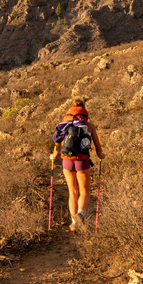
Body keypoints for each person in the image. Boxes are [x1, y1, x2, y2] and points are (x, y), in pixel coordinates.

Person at [50, 98, 104, 232]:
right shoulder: (89, 125)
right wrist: (100, 155)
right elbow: (97, 146)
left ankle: (74, 222)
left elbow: (57, 146)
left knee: (72, 192)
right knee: (84, 191)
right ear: (84, 111)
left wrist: (53, 156)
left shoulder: (64, 124)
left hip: (67, 160)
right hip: (82, 161)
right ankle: (80, 214)